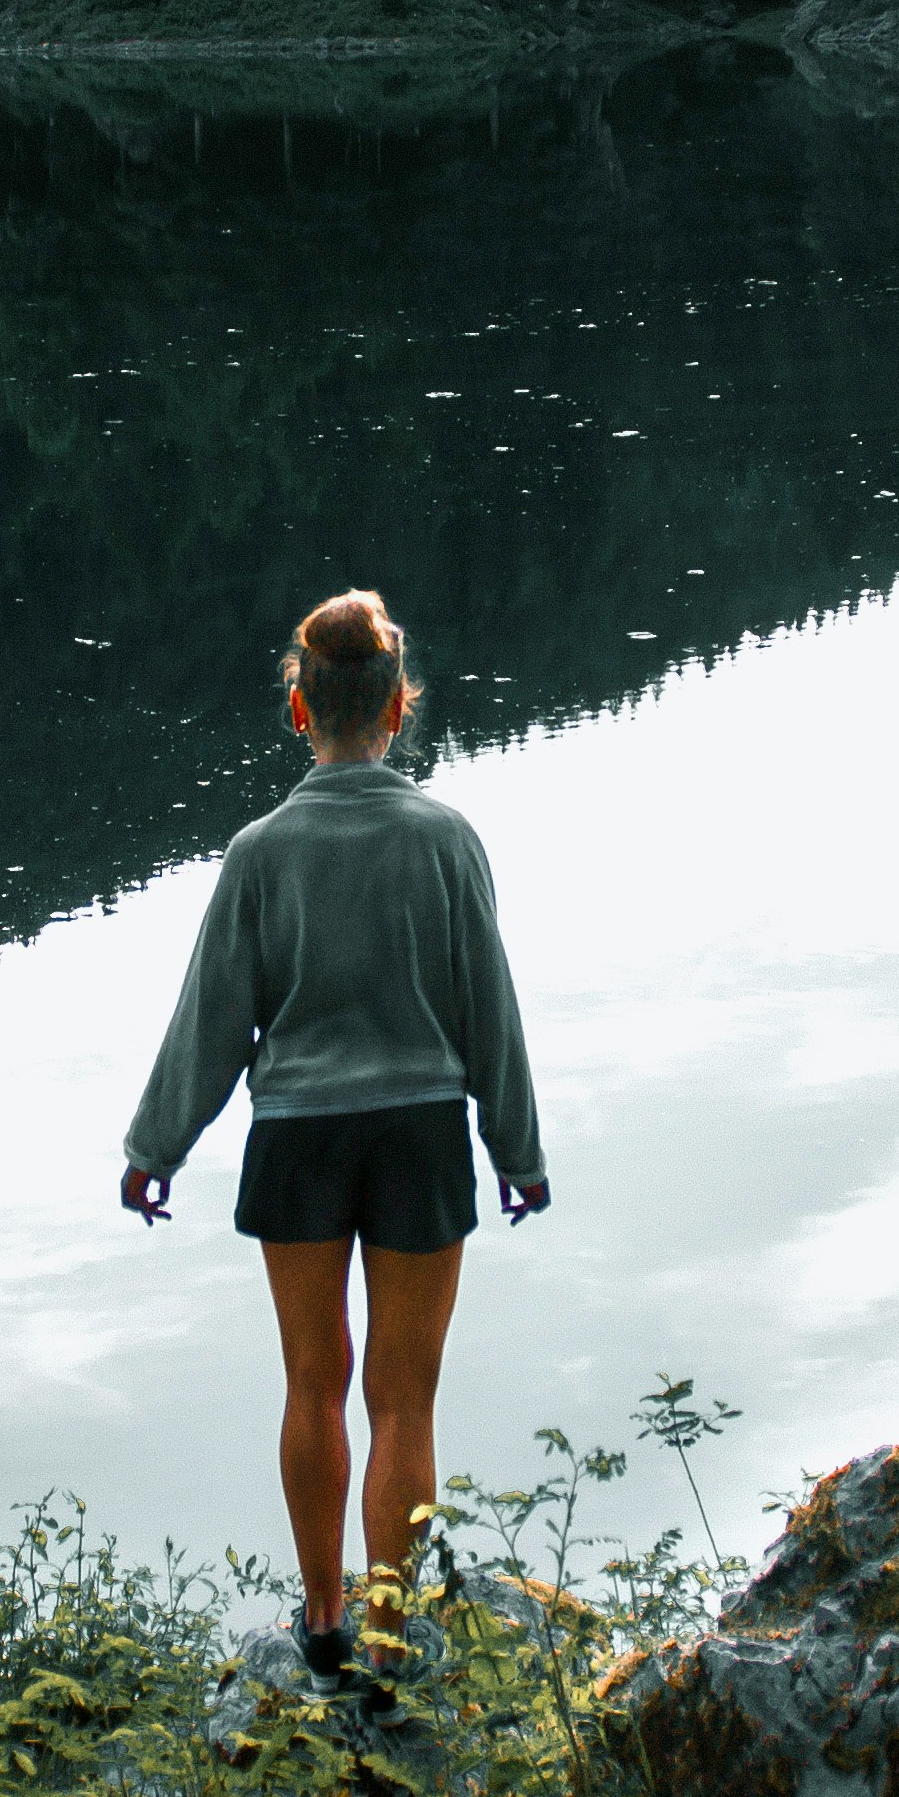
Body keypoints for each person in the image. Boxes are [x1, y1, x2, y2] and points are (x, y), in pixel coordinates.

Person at [120, 589, 548, 1679]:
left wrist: (153, 1149)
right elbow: (488, 1010)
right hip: (417, 1133)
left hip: (298, 1137)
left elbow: (212, 1019)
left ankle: (321, 1621)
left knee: (313, 1383)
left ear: (302, 712)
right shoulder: (448, 842)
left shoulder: (260, 852)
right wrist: (518, 1154)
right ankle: (395, 1633)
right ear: (396, 712)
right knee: (404, 1397)